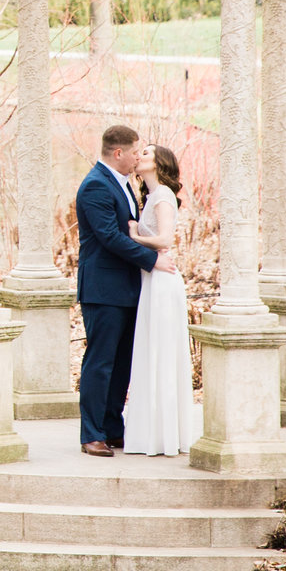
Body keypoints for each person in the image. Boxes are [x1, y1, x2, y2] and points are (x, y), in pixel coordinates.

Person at [75, 123, 173, 457]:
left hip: (129, 287)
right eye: (134, 152)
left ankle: (113, 427)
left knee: (121, 364)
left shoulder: (124, 185)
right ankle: (91, 434)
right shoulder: (95, 186)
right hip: (103, 289)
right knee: (100, 362)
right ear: (119, 153)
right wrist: (152, 260)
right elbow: (109, 237)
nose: (137, 158)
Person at [121, 143, 196, 455]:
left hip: (163, 280)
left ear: (160, 163)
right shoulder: (150, 197)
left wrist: (133, 235)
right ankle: (150, 432)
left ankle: (164, 436)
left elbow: (165, 240)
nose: (140, 156)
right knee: (150, 353)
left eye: (147, 154)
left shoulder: (164, 194)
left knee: (162, 354)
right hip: (151, 279)